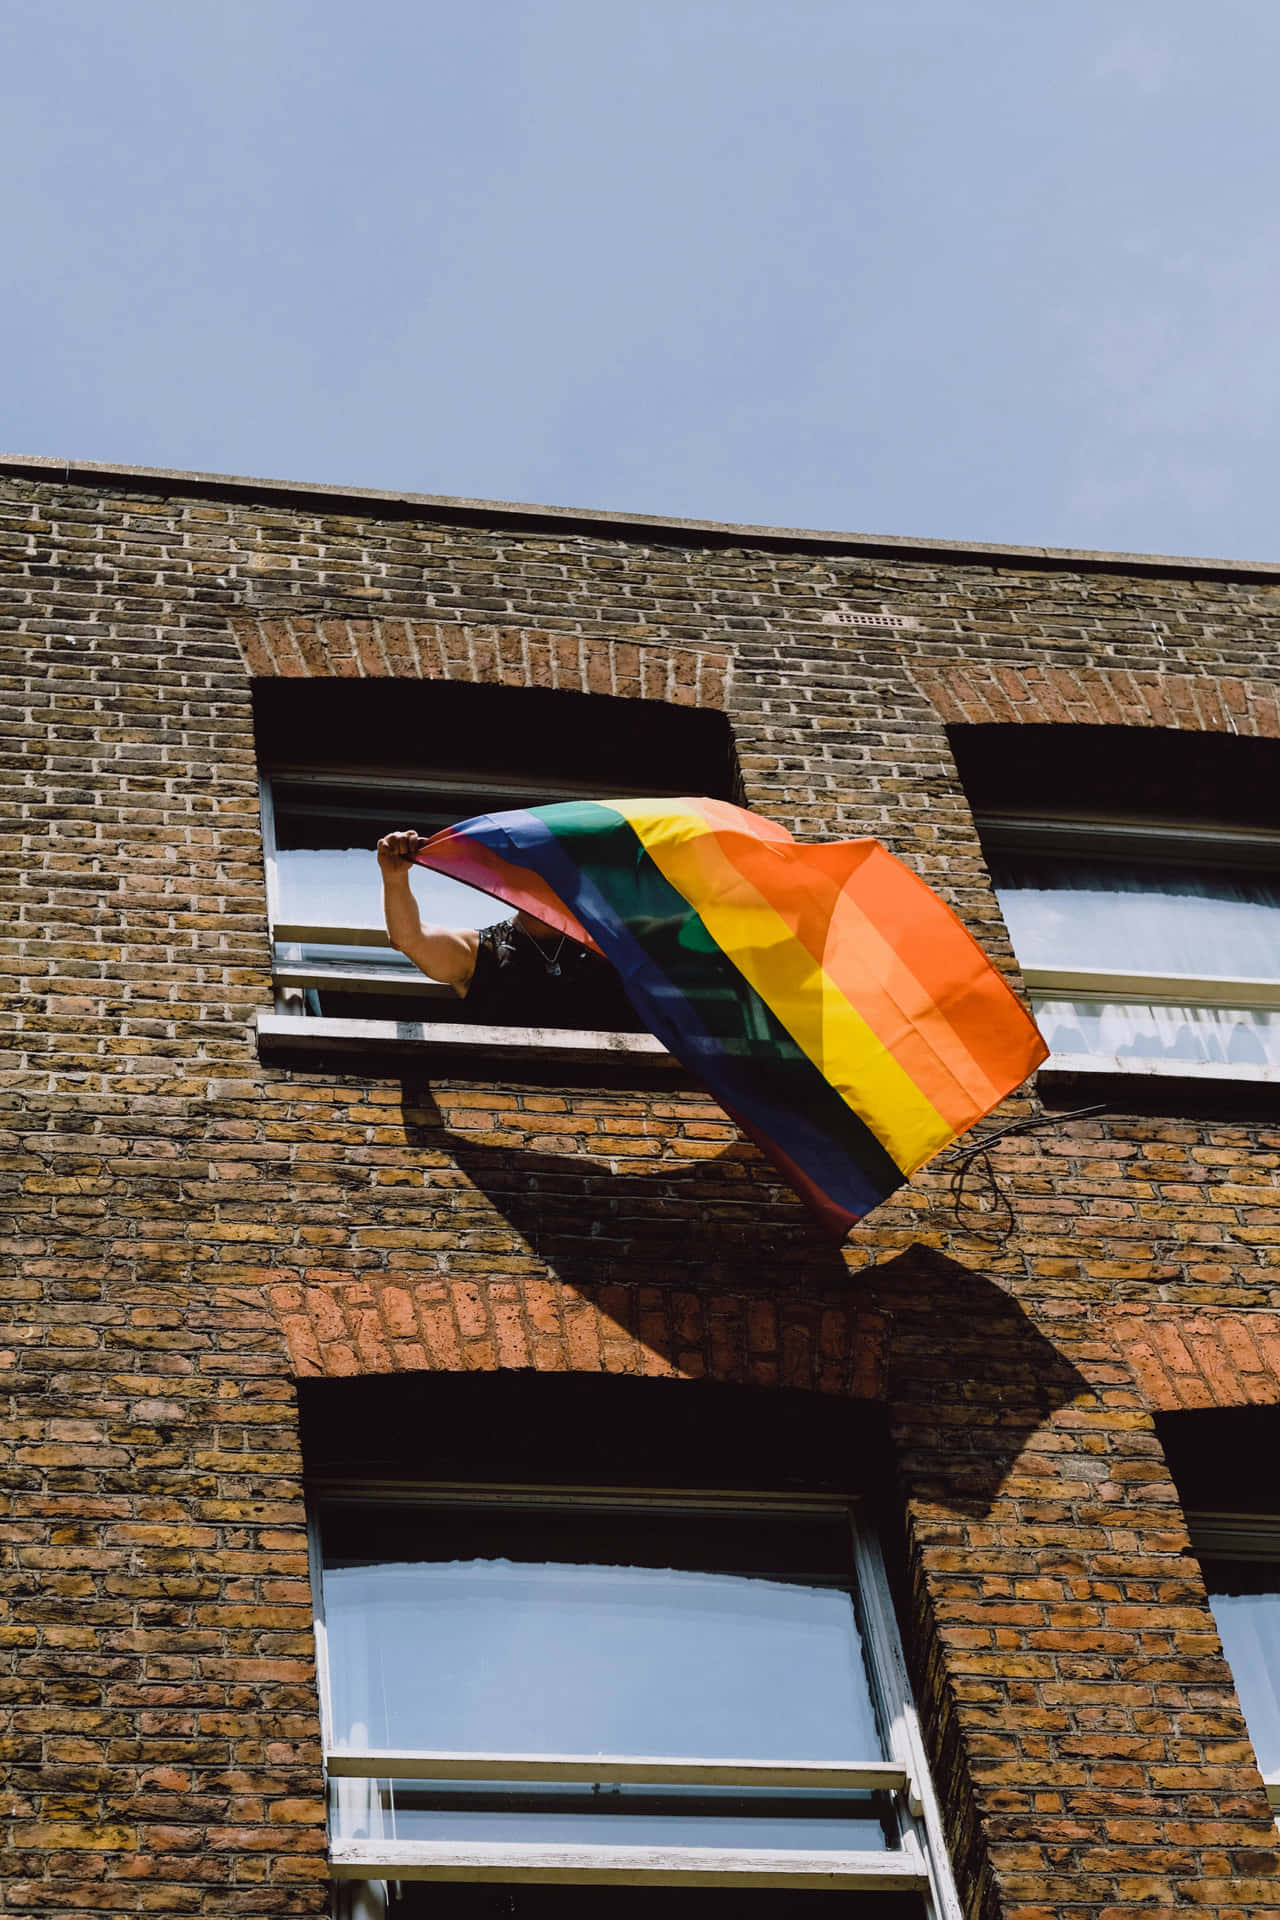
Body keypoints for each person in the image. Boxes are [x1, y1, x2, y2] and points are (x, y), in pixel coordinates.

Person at [376, 829, 639, 1031]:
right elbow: (409, 938)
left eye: (563, 872)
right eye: (538, 873)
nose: (551, 882)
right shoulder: (483, 950)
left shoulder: (612, 944)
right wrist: (395, 878)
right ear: (514, 883)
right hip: (500, 1096)